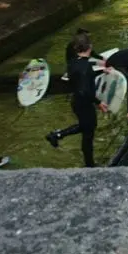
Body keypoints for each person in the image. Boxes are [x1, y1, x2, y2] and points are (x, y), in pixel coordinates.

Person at [45, 32, 110, 168]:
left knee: (84, 126)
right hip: (84, 103)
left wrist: (101, 71)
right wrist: (99, 103)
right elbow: (84, 90)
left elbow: (82, 78)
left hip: (77, 102)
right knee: (88, 133)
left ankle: (57, 135)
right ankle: (90, 165)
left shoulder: (73, 62)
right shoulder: (86, 66)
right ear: (90, 47)